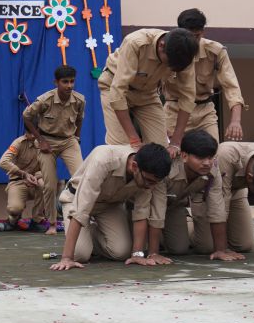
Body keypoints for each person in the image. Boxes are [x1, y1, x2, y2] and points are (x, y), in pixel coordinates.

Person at [49, 143, 172, 271]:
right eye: (149, 181)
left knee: (121, 252)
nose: (151, 187)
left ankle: (89, 232)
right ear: (135, 166)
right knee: (80, 255)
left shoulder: (146, 175)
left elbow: (141, 212)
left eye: (155, 183)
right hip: (76, 199)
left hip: (109, 205)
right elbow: (81, 208)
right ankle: (76, 228)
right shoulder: (104, 159)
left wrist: (137, 255)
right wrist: (67, 258)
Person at [96, 27, 198, 156]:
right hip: (113, 86)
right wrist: (134, 140)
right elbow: (118, 92)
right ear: (161, 46)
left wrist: (176, 142)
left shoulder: (185, 55)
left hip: (147, 93)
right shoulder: (135, 43)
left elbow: (188, 97)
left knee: (160, 151)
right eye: (169, 64)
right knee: (122, 150)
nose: (171, 68)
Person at [163, 9, 246, 142]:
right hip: (174, 110)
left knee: (213, 151)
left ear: (203, 32)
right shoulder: (168, 50)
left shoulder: (215, 51)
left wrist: (235, 121)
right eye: (189, 36)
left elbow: (231, 86)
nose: (193, 41)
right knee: (172, 151)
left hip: (204, 111)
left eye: (196, 36)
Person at [22, 65, 85, 232]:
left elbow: (80, 119)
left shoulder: (79, 100)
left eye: (72, 81)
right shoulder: (45, 100)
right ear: (56, 82)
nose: (69, 85)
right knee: (49, 185)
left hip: (68, 141)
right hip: (47, 142)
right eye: (65, 82)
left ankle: (82, 216)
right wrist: (40, 139)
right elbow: (26, 117)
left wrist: (77, 138)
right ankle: (51, 224)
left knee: (82, 178)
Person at [158, 131, 236, 260]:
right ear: (184, 156)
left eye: (210, 157)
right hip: (147, 208)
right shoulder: (167, 165)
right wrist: (153, 253)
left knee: (182, 249)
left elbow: (217, 208)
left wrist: (220, 250)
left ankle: (183, 226)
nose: (207, 163)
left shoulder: (212, 168)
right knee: (124, 250)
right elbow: (154, 206)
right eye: (200, 158)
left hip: (174, 206)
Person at [0, 132, 49, 231]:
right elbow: (3, 162)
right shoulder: (19, 143)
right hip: (18, 181)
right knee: (14, 209)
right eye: (30, 132)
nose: (33, 135)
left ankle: (37, 220)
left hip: (36, 182)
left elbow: (49, 167)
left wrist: (35, 176)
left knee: (44, 184)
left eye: (35, 131)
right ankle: (13, 220)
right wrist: (23, 174)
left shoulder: (44, 143)